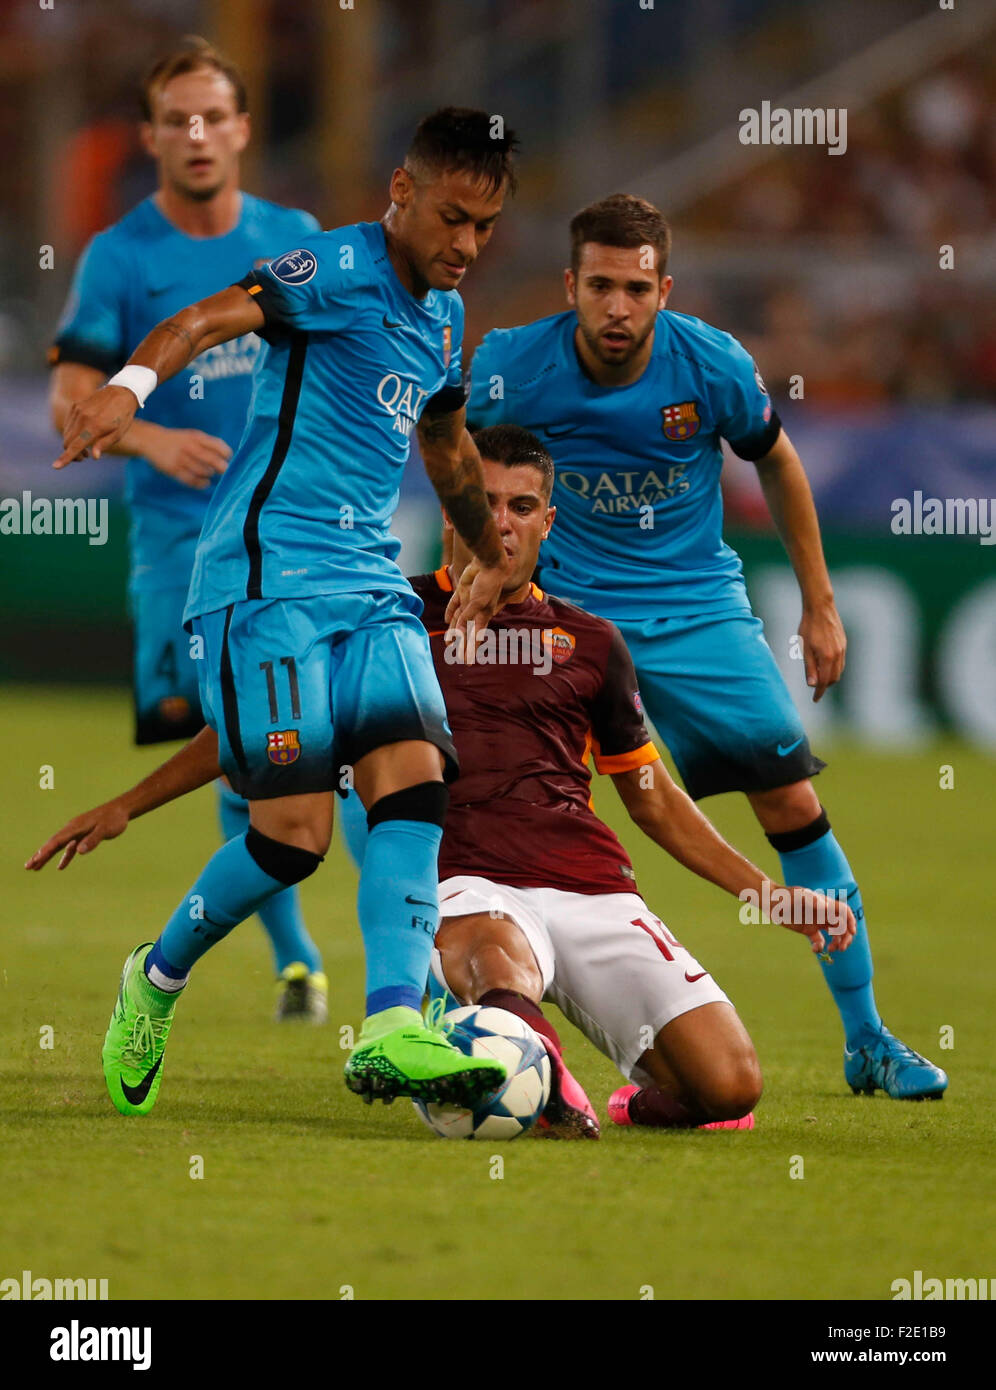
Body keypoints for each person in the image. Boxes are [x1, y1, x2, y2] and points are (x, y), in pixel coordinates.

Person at [29, 426, 855, 1140]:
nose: (500, 521)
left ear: (547, 523)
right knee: (490, 955)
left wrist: (773, 895)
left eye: (522, 506)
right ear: (453, 503)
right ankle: (529, 1077)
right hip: (461, 890)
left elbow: (654, 800)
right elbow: (252, 728)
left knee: (730, 1084)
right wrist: (126, 805)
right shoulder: (385, 620)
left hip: (591, 887)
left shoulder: (593, 642)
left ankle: (631, 1100)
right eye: (483, 500)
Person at [47, 106, 520, 1118]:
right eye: (452, 218)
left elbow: (444, 447)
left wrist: (487, 552)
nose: (467, 245)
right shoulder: (333, 272)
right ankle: (156, 977)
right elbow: (202, 321)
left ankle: (392, 1023)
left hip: (370, 583)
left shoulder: (442, 316)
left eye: (485, 227)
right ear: (402, 191)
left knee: (415, 780)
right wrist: (130, 388)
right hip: (263, 581)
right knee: (294, 835)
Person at [465, 194, 947, 1101]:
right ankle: (462, 1018)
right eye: (600, 286)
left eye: (635, 288)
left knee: (792, 804)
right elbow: (461, 464)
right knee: (502, 804)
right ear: (570, 285)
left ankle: (869, 1037)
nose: (617, 307)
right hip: (566, 617)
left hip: (697, 614)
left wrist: (820, 605)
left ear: (663, 290)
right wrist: (480, 572)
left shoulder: (711, 363)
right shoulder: (511, 366)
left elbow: (779, 459)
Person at [48, 37, 327, 1021]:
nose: (198, 134)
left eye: (215, 116)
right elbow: (70, 396)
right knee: (233, 739)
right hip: (177, 547)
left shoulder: (292, 235)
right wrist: (153, 438)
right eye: (178, 119)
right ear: (152, 136)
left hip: (292, 542)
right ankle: (296, 954)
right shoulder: (122, 256)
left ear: (244, 129)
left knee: (299, 741)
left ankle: (320, 963)